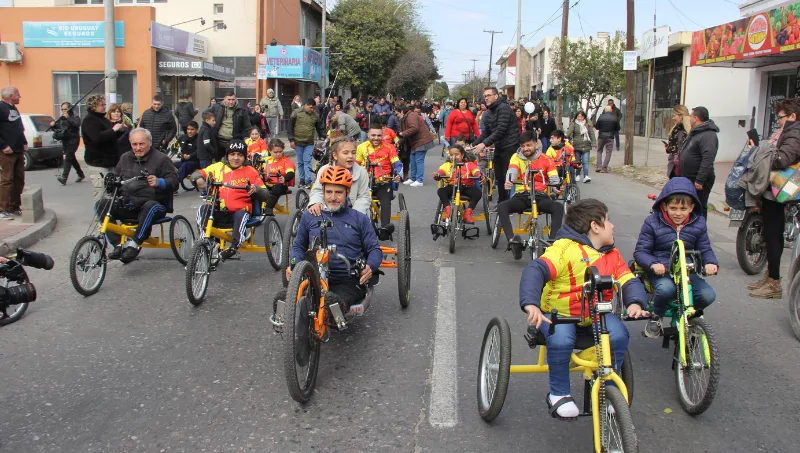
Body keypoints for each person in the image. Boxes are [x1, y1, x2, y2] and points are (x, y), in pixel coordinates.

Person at [519, 199, 648, 419]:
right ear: (595, 226)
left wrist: (635, 302)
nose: (613, 226)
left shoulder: (612, 254)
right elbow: (536, 270)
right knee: (561, 339)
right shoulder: (564, 249)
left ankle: (609, 386)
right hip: (559, 315)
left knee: (618, 335)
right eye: (608, 220)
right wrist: (531, 304)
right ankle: (559, 394)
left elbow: (628, 280)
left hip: (596, 315)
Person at [287, 166, 383, 313]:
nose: (333, 197)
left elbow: (374, 249)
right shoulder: (310, 216)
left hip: (347, 281)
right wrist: (293, 265)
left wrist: (370, 266)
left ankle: (330, 312)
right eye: (329, 192)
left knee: (332, 303)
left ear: (348, 192)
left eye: (338, 192)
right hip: (314, 277)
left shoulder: (359, 219)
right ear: (323, 192)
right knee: (284, 300)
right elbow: (299, 246)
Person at [634, 177, 718, 337]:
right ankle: (657, 317)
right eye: (673, 208)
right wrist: (653, 264)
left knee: (708, 295)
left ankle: (691, 317)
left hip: (687, 272)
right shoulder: (652, 222)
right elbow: (641, 252)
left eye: (683, 208)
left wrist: (710, 263)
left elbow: (705, 249)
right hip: (662, 271)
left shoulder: (699, 223)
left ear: (692, 207)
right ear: (664, 206)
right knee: (666, 289)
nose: (678, 213)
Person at [96, 128, 179, 262]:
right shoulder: (125, 158)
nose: (138, 148)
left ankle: (134, 244)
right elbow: (116, 177)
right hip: (128, 204)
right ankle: (118, 244)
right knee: (101, 204)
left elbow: (174, 182)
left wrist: (159, 182)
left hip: (154, 204)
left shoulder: (161, 159)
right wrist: (109, 182)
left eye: (141, 144)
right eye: (134, 144)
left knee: (150, 206)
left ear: (150, 143)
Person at [747, 98, 800, 299]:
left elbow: (783, 159)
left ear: (792, 116)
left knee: (773, 235)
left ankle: (774, 283)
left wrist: (760, 152)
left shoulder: (794, 133)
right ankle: (770, 276)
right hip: (773, 192)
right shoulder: (788, 131)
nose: (778, 121)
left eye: (780, 117)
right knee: (772, 235)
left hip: (779, 192)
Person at [191, 140, 270, 260]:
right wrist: (199, 179)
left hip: (239, 213)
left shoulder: (250, 171)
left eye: (240, 155)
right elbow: (197, 173)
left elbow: (266, 194)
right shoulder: (217, 167)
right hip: (218, 211)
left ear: (244, 157)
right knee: (203, 209)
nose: (236, 158)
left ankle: (233, 247)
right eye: (232, 154)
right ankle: (206, 242)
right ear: (227, 155)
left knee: (241, 214)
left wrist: (256, 189)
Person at [496, 131, 563, 259]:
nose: (525, 148)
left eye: (529, 145)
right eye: (523, 146)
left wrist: (557, 188)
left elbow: (554, 178)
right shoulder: (516, 157)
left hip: (540, 196)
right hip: (522, 195)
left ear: (536, 144)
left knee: (558, 207)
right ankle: (513, 241)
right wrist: (509, 181)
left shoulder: (546, 159)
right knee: (502, 206)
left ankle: (553, 242)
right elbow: (512, 171)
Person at [473, 87, 520, 202]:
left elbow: (500, 130)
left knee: (507, 176)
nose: (486, 98)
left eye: (488, 95)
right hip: (499, 146)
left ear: (496, 96)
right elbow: (487, 132)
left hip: (510, 145)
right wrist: (473, 144)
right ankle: (501, 203)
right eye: (485, 96)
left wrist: (484, 144)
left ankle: (508, 203)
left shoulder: (504, 108)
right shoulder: (489, 111)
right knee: (499, 176)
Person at [356, 124, 403, 235]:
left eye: (379, 135)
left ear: (382, 135)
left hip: (383, 182)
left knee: (386, 202)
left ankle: (385, 230)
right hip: (365, 183)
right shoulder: (361, 147)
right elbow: (355, 165)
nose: (376, 138)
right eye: (373, 135)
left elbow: (397, 164)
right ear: (368, 135)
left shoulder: (389, 147)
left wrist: (398, 175)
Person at [307, 137, 371, 218]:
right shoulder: (325, 170)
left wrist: (354, 215)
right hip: (329, 210)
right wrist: (316, 202)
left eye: (353, 153)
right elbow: (317, 190)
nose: (351, 156)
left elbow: (364, 197)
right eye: (345, 153)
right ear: (335, 155)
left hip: (353, 212)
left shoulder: (361, 172)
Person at [82, 94, 126, 203]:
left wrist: (120, 131)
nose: (104, 107)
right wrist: (113, 130)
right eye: (101, 105)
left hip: (110, 162)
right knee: (101, 192)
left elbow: (111, 137)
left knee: (112, 192)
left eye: (105, 104)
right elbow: (96, 138)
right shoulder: (89, 120)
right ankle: (100, 213)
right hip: (97, 163)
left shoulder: (104, 120)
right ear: (93, 106)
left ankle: (110, 213)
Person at [678, 106, 718, 218]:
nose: (689, 119)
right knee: (690, 206)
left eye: (691, 116)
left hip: (698, 181)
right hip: (689, 178)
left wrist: (700, 180)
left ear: (696, 118)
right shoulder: (697, 132)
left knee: (699, 207)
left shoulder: (708, 135)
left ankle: (699, 227)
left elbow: (708, 158)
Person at [434, 144, 482, 224]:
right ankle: (448, 211)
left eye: (456, 154)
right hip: (452, 187)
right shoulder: (446, 165)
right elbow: (441, 172)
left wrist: (478, 175)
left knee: (478, 193)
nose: (453, 157)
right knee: (441, 191)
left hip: (466, 187)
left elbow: (476, 172)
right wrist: (437, 175)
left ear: (462, 155)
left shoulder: (469, 165)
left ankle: (467, 214)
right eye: (451, 155)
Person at [0, 86, 27, 219]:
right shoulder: (1, 107)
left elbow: (18, 128)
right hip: (7, 151)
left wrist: (24, 141)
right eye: (17, 94)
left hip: (18, 149)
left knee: (19, 179)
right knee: (7, 180)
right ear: (10, 96)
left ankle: (15, 206)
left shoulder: (13, 108)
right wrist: (3, 145)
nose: (19, 96)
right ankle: (3, 209)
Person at [207, 91, 251, 162]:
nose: (231, 102)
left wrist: (245, 140)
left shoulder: (242, 110)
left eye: (233, 99)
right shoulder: (217, 107)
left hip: (234, 142)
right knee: (219, 163)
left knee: (232, 163)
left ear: (236, 99)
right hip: (219, 141)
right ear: (224, 99)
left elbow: (248, 127)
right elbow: (204, 114)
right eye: (229, 99)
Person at [398, 105, 434, 187]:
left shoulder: (411, 116)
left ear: (402, 112)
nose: (397, 116)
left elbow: (414, 128)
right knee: (413, 160)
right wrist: (399, 142)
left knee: (418, 160)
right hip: (416, 142)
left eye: (397, 114)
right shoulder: (406, 117)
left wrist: (402, 134)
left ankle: (419, 180)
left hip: (421, 140)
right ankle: (413, 178)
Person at [51, 102, 85, 185]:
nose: (63, 111)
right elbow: (59, 129)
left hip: (73, 140)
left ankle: (64, 178)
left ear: (69, 109)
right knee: (71, 158)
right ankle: (81, 174)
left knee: (68, 158)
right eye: (62, 109)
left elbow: (77, 124)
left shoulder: (75, 117)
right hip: (65, 140)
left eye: (65, 109)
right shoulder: (61, 118)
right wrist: (53, 126)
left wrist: (68, 118)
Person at [289, 98, 320, 188]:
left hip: (309, 142)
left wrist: (324, 135)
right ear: (305, 105)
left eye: (313, 108)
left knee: (307, 161)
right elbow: (290, 127)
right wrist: (291, 140)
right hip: (298, 141)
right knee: (300, 162)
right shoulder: (296, 113)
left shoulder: (315, 115)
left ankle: (308, 180)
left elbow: (319, 127)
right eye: (310, 107)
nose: (312, 110)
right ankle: (302, 180)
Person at [262, 139, 295, 216]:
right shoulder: (265, 160)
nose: (278, 154)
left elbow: (290, 172)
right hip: (267, 184)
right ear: (270, 151)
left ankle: (269, 208)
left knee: (277, 188)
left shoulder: (286, 161)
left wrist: (285, 178)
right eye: (275, 152)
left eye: (280, 152)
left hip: (281, 185)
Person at [565, 111, 596, 183]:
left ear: (584, 117)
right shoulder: (574, 124)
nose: (580, 118)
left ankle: (586, 176)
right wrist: (564, 137)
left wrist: (594, 144)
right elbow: (569, 132)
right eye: (578, 116)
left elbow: (591, 134)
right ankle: (577, 175)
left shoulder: (588, 124)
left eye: (581, 117)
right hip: (576, 145)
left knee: (585, 161)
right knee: (577, 161)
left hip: (586, 145)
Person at [666, 105, 691, 178]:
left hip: (684, 168)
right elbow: (672, 149)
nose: (673, 118)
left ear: (681, 115)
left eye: (674, 116)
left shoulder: (689, 131)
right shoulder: (675, 129)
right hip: (674, 167)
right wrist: (668, 148)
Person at [174, 121, 201, 188]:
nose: (189, 131)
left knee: (185, 165)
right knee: (170, 165)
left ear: (197, 130)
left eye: (192, 129)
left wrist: (190, 156)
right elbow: (175, 146)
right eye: (188, 129)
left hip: (195, 162)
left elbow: (199, 151)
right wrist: (179, 153)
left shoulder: (199, 138)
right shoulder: (183, 137)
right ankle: (169, 181)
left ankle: (174, 185)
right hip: (183, 160)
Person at [594, 105, 621, 173]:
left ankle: (599, 166)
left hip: (601, 136)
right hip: (610, 136)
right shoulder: (614, 117)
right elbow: (618, 128)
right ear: (611, 110)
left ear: (605, 110)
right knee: (608, 152)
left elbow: (597, 127)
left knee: (599, 151)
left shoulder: (601, 117)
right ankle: (604, 167)